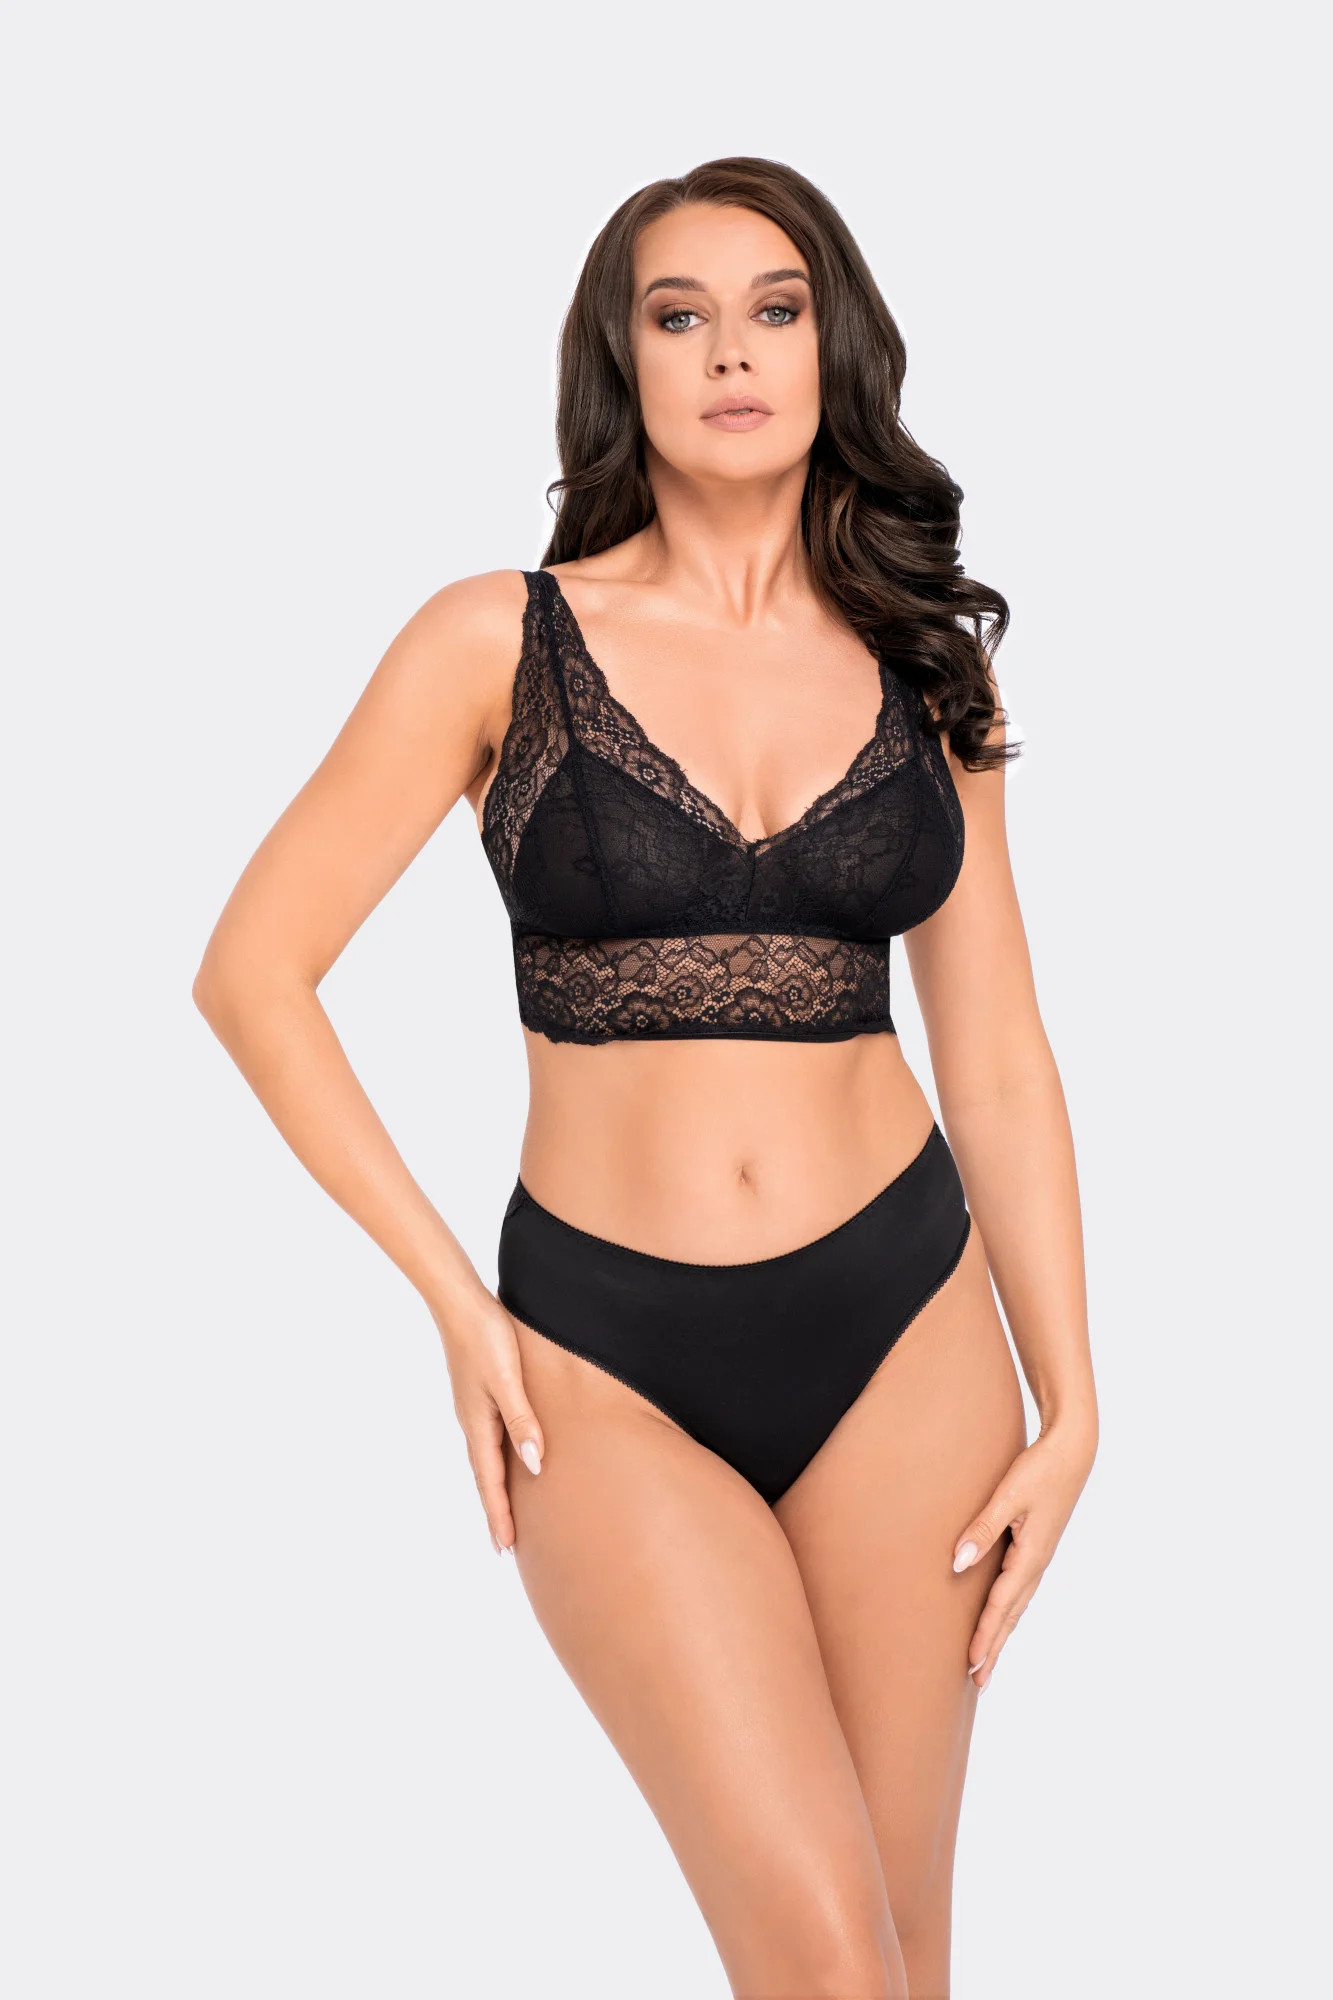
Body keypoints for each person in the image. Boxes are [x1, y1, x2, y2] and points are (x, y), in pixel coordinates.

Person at [194, 156, 1098, 2000]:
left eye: (775, 310)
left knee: (906, 1962)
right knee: (823, 1962)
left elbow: (996, 1048)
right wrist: (456, 1304)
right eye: (678, 317)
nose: (730, 353)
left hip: (909, 1327)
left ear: (836, 348)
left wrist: (1072, 1396)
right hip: (597, 1357)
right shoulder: (496, 639)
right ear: (622, 362)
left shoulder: (925, 666)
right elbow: (253, 975)